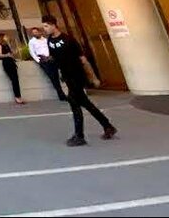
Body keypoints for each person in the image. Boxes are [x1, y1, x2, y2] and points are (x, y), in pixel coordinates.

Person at [42, 15, 116, 146]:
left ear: (54, 25)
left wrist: (93, 77)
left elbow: (83, 60)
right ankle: (107, 126)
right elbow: (55, 57)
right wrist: (48, 59)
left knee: (74, 103)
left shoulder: (69, 40)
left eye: (46, 26)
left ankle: (79, 135)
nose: (45, 29)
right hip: (67, 76)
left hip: (77, 75)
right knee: (85, 103)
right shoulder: (50, 41)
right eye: (44, 26)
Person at [28, 26, 66, 101]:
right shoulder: (32, 42)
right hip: (43, 60)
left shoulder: (46, 40)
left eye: (36, 32)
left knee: (56, 76)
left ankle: (62, 94)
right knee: (52, 77)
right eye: (33, 33)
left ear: (39, 32)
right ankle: (61, 94)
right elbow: (32, 52)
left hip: (51, 59)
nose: (35, 33)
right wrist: (38, 61)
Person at [0, 34, 24, 104]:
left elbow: (12, 54)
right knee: (14, 79)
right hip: (6, 62)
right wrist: (7, 55)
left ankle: (19, 96)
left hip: (11, 62)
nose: (7, 37)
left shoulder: (7, 45)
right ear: (2, 38)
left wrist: (15, 52)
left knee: (16, 80)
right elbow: (0, 55)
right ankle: (17, 97)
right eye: (5, 36)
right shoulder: (0, 45)